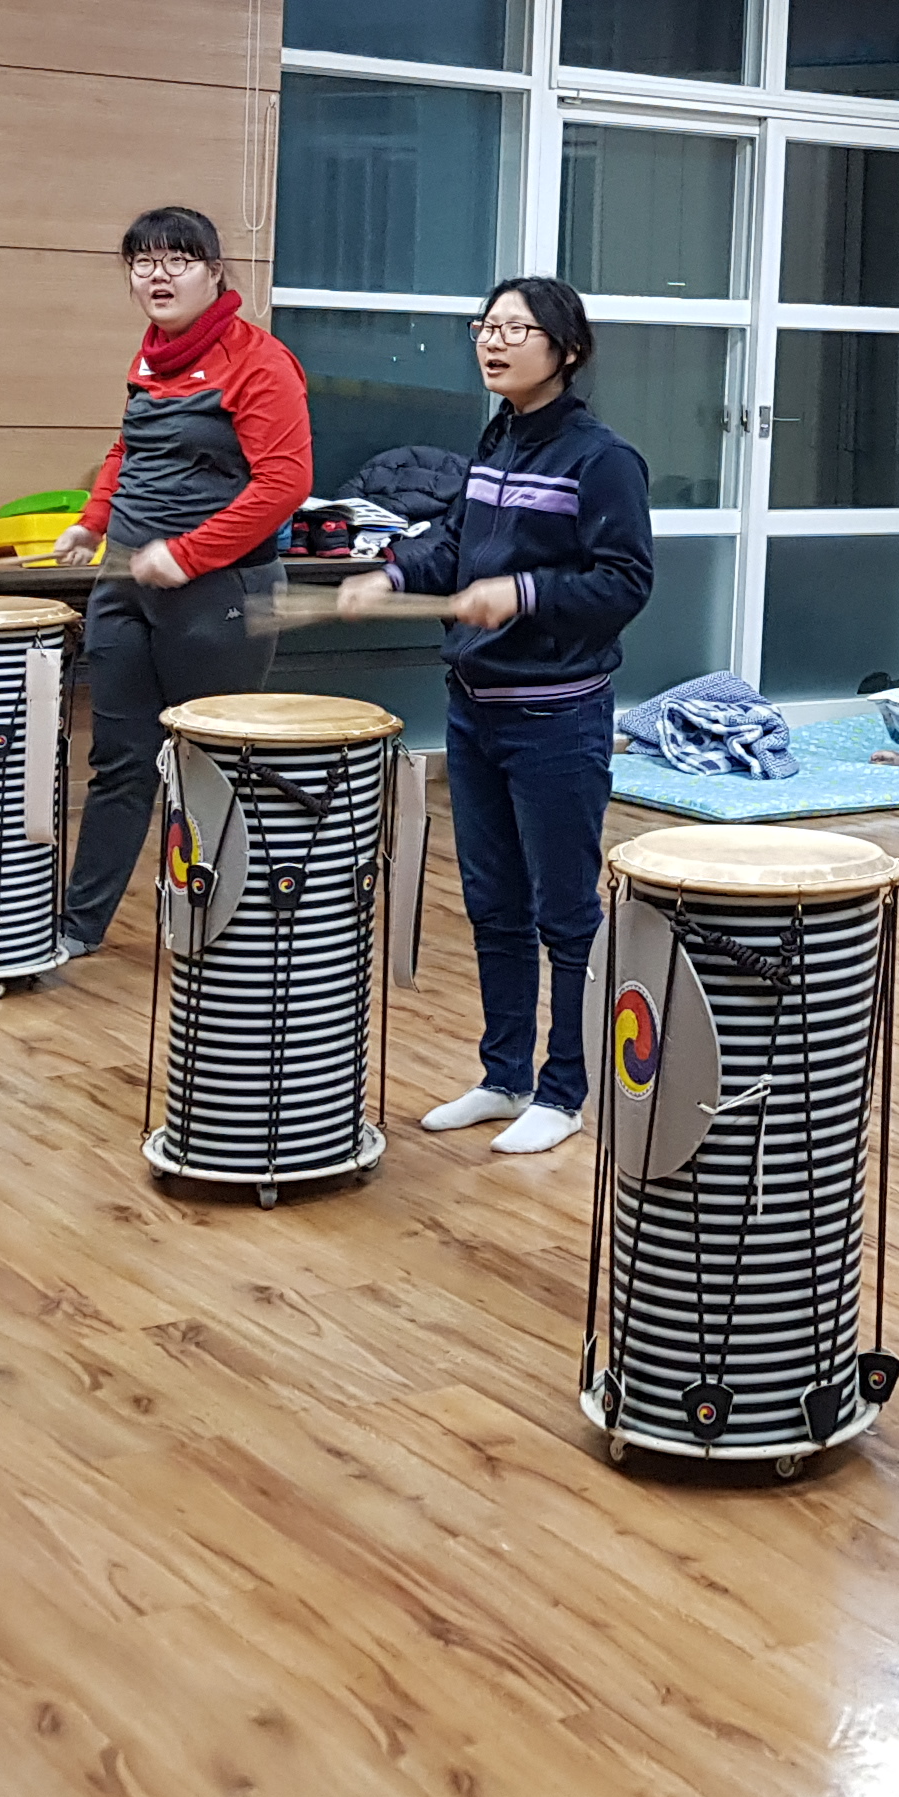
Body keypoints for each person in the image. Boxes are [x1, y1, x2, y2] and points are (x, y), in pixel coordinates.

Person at [339, 277, 653, 1157]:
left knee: (565, 909)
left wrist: (521, 593)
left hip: (557, 716)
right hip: (474, 710)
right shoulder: (498, 438)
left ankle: (566, 1088)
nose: (494, 340)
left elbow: (625, 581)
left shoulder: (602, 459)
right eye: (488, 326)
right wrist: (391, 573)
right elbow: (454, 541)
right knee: (492, 902)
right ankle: (505, 1074)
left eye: (517, 329)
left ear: (568, 350)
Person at [53, 208, 311, 955]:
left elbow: (286, 484)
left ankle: (230, 939)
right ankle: (79, 928)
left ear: (215, 272)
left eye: (178, 260)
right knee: (119, 763)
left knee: (213, 769)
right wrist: (93, 523)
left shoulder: (260, 361)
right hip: (125, 586)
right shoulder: (152, 357)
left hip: (218, 595)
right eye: (143, 262)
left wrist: (191, 555)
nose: (157, 275)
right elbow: (129, 449)